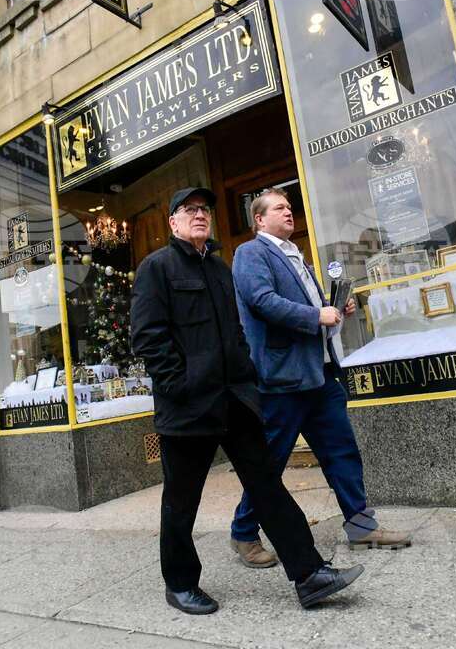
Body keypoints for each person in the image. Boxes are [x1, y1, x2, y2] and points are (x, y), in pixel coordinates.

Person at [130, 186, 363, 614]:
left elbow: (237, 332)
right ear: (173, 222)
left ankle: (309, 574)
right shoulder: (156, 268)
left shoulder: (220, 268)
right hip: (187, 409)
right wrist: (179, 386)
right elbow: (147, 339)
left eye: (204, 210)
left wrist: (246, 380)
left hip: (235, 401)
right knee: (182, 502)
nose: (200, 216)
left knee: (267, 487)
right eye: (189, 210)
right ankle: (180, 584)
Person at [228, 188, 410, 570]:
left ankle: (361, 526)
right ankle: (244, 532)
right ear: (259, 220)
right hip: (283, 380)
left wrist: (333, 308)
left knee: (341, 451)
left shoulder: (297, 255)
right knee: (271, 463)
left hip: (321, 373)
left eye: (290, 207)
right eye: (280, 208)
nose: (289, 212)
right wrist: (316, 316)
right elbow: (261, 301)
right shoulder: (251, 253)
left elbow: (307, 308)